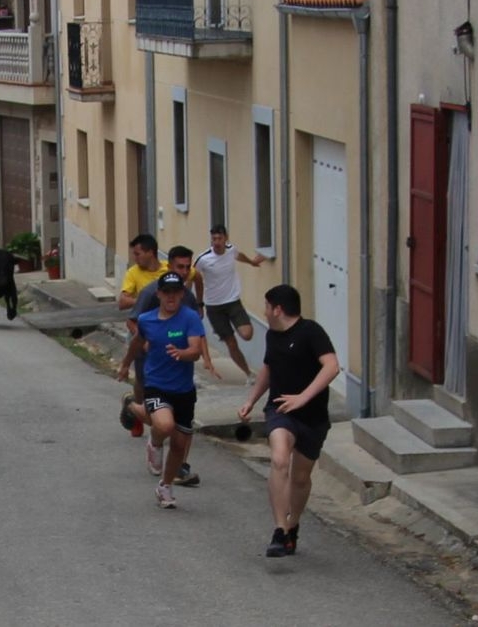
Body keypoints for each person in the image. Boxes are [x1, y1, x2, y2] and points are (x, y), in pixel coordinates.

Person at [238, 284, 340, 558]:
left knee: (301, 478)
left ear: (277, 309)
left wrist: (303, 398)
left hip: (313, 416)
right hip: (280, 410)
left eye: (267, 306)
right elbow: (268, 369)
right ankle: (279, 530)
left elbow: (332, 366)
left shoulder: (311, 332)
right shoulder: (272, 335)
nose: (264, 311)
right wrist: (252, 400)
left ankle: (292, 525)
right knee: (280, 459)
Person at [118, 246, 216, 487]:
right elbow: (135, 334)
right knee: (164, 424)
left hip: (182, 383)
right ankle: (146, 427)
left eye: (187, 268)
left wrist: (201, 357)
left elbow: (196, 337)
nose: (172, 296)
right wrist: (126, 364)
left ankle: (176, 470)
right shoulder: (150, 296)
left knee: (180, 437)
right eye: (179, 267)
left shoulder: (189, 304)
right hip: (153, 371)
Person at [194, 225, 266, 385]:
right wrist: (194, 300)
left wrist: (252, 262)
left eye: (219, 238)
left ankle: (230, 328)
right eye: (213, 239)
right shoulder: (203, 259)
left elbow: (239, 255)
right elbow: (192, 275)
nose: (216, 242)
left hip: (233, 301)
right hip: (214, 306)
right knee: (231, 342)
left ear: (226, 238)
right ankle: (249, 374)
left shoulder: (231, 250)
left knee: (247, 334)